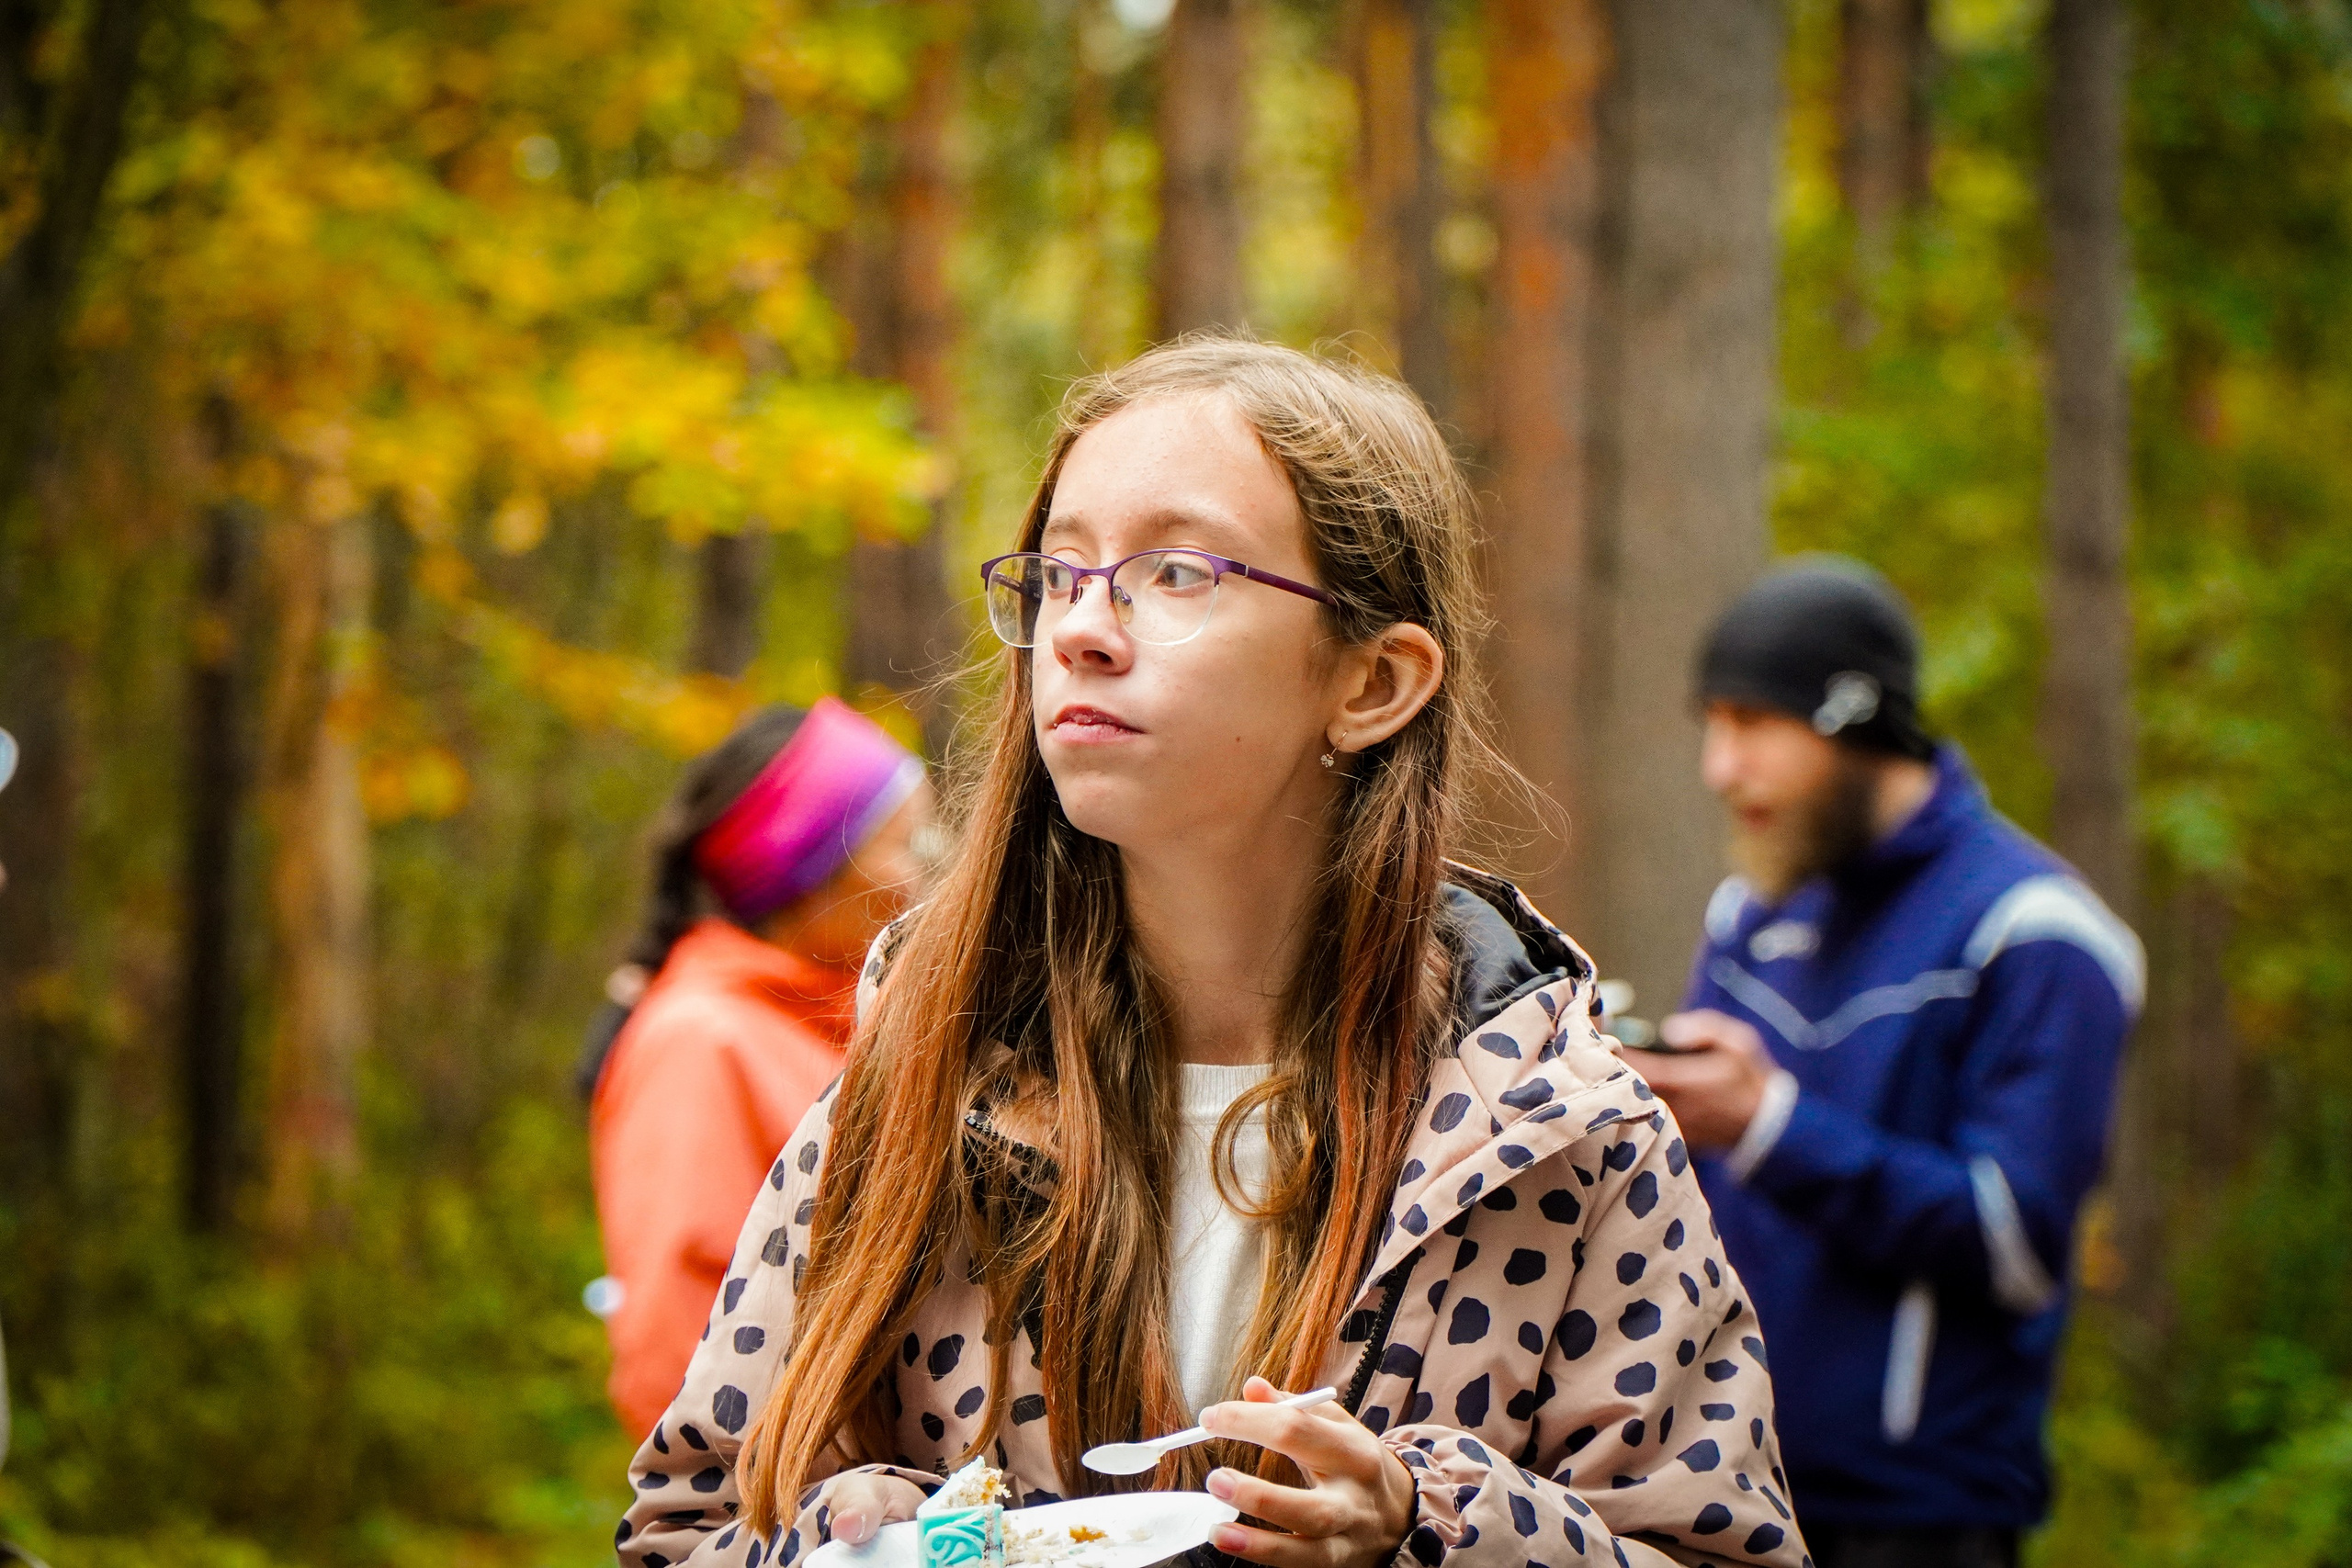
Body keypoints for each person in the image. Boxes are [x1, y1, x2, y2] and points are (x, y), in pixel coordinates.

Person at [615, 339, 1808, 1568]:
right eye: (1060, 573)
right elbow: (686, 1527)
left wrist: (1428, 1529)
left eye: (1172, 571)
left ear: (1372, 678)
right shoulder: (920, 1083)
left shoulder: (1557, 1128)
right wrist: (863, 1545)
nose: (1080, 625)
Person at [1631, 559, 2143, 1568]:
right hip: (1719, 1489)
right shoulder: (1753, 912)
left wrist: (1769, 1125)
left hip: (1915, 1520)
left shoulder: (2034, 930)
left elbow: (2017, 1244)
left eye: (1753, 724)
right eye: (1712, 725)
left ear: (1856, 720)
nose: (1720, 769)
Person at [588, 697, 936, 1438]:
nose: (922, 879)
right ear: (804, 872)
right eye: (905, 845)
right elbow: (674, 1358)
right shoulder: (699, 1043)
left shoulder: (848, 1020)